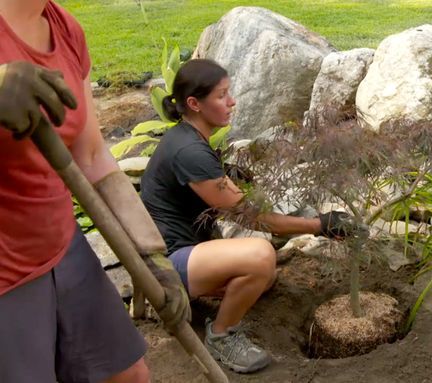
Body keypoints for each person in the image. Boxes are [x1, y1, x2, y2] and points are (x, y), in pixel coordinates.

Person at [0, 1, 190, 382]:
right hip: (6, 273)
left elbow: (91, 156)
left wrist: (150, 255)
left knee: (128, 375)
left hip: (59, 244)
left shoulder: (65, 28)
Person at [141, 58, 358, 373]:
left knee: (264, 277)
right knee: (259, 256)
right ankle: (220, 336)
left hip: (181, 252)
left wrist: (228, 173)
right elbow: (254, 218)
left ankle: (201, 301)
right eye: (221, 96)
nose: (232, 102)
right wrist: (320, 226)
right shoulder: (189, 153)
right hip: (166, 264)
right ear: (194, 104)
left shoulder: (187, 137)